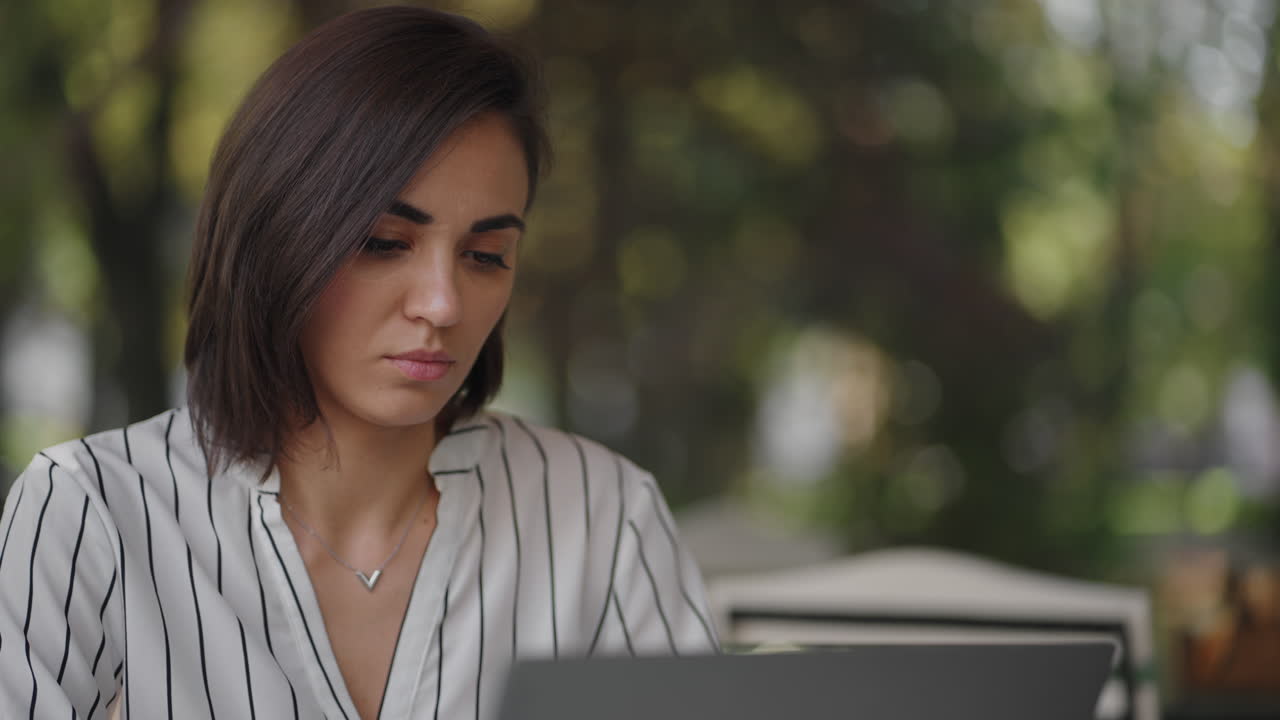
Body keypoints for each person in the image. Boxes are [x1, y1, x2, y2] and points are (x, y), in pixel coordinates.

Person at [0, 6, 718, 719]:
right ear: (277, 239)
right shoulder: (91, 509)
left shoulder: (601, 515)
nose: (442, 304)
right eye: (383, 242)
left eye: (486, 255)